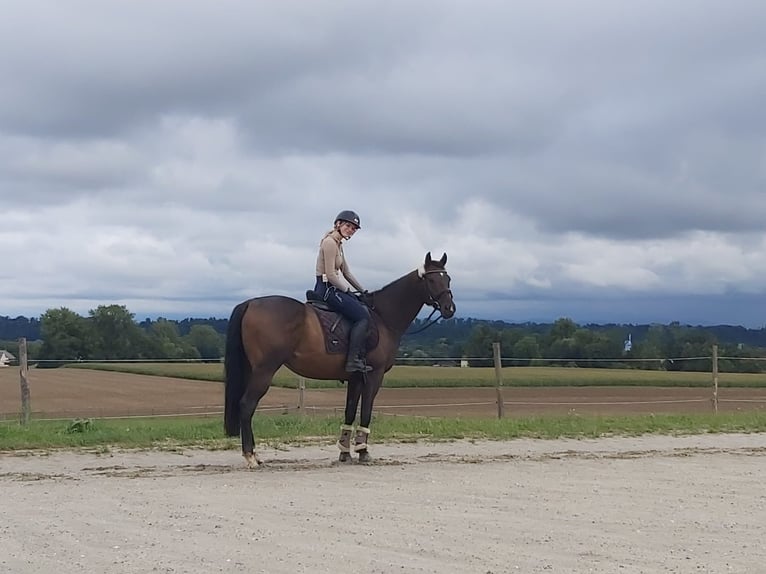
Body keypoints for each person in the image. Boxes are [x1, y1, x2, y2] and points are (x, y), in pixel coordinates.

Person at [314, 210, 372, 373]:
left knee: (360, 305)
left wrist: (363, 291)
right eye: (348, 226)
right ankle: (352, 361)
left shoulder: (339, 244)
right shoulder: (330, 243)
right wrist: (348, 292)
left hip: (334, 287)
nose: (351, 230)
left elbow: (346, 272)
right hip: (327, 288)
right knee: (362, 316)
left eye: (354, 228)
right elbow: (331, 275)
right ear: (338, 224)